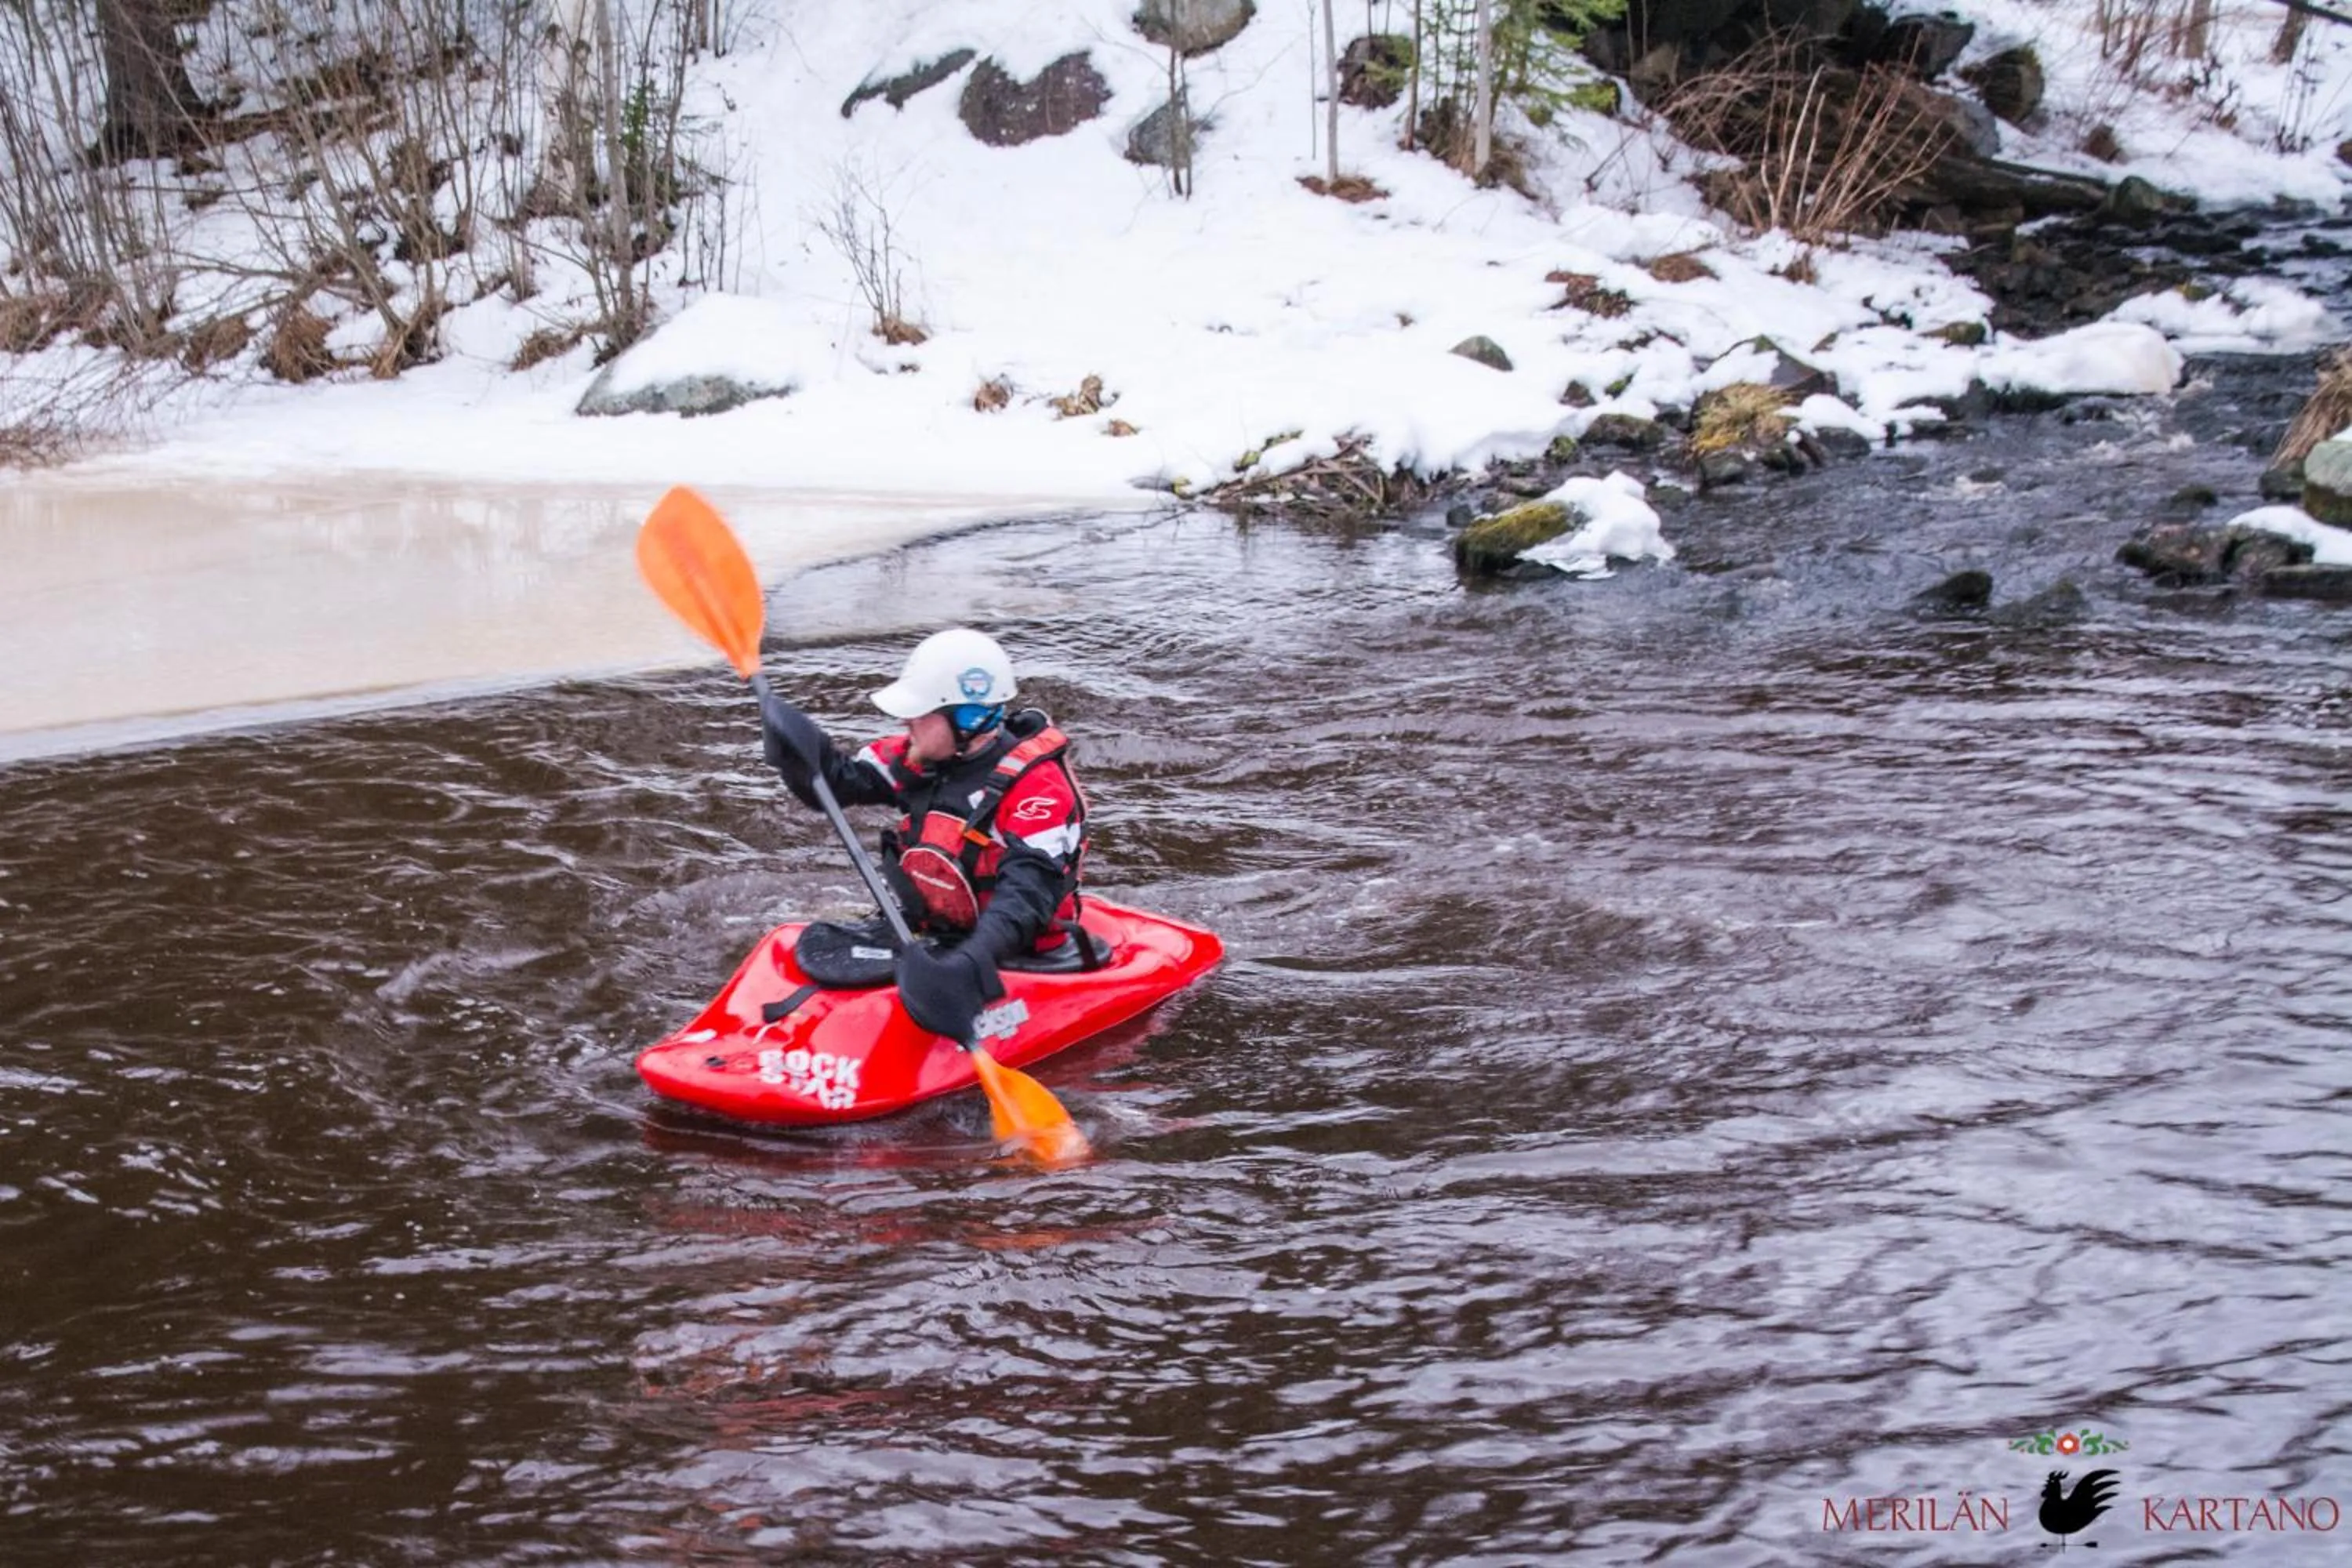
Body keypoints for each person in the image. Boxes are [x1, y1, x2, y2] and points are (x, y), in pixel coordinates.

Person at [758, 626, 1091, 1044]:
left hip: (1017, 951)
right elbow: (841, 783)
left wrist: (970, 965)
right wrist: (799, 754)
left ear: (967, 719)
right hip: (940, 935)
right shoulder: (923, 757)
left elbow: (1026, 899)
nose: (906, 721)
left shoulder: (1037, 790)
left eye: (920, 713)